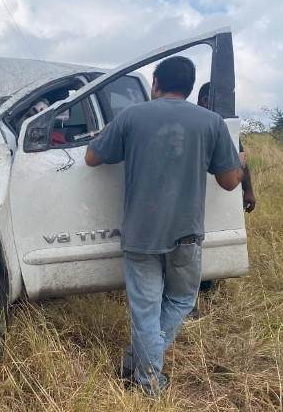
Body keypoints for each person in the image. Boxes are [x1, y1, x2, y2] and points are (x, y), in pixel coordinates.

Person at [84, 56, 243, 395]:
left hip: (140, 234)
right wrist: (241, 164)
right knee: (183, 300)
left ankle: (144, 373)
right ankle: (145, 373)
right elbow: (230, 182)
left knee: (145, 309)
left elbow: (91, 158)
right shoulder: (212, 122)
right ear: (189, 87)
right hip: (186, 233)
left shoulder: (131, 116)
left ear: (155, 83)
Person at [198, 82, 256, 212]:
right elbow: (237, 166)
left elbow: (240, 156)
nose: (229, 108)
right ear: (206, 101)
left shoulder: (224, 126)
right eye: (223, 102)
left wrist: (248, 191)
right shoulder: (195, 124)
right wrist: (238, 163)